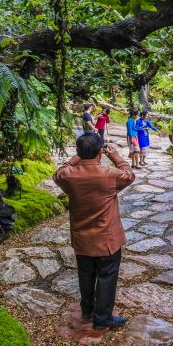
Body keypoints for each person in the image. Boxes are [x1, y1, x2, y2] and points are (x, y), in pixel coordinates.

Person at [52, 134, 135, 330]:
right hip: (107, 238)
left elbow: (58, 173)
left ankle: (87, 309)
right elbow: (129, 175)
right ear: (100, 152)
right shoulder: (109, 174)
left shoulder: (68, 175)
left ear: (79, 153)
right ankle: (102, 318)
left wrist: (75, 158)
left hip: (82, 238)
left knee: (85, 274)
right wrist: (116, 156)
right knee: (107, 276)